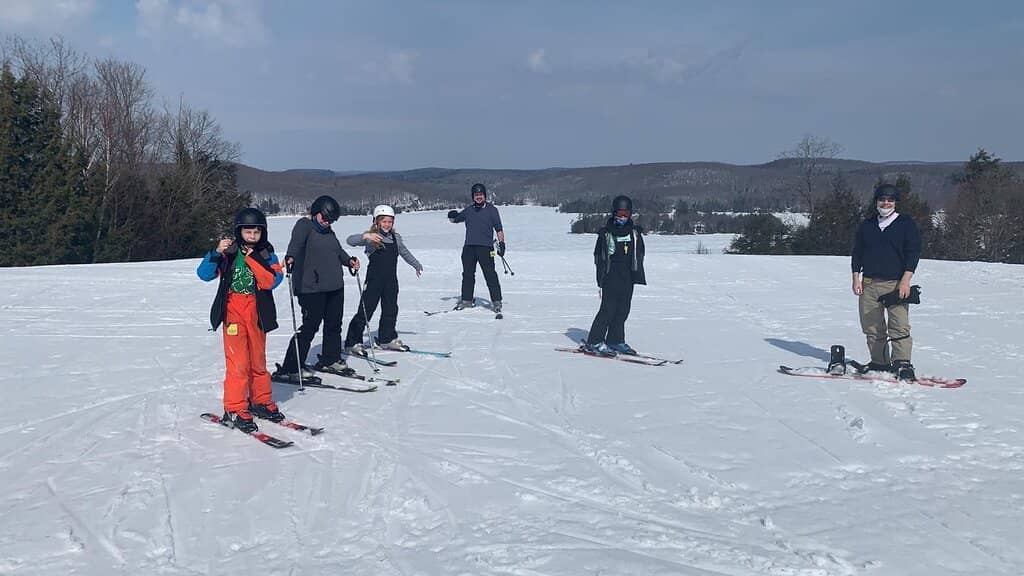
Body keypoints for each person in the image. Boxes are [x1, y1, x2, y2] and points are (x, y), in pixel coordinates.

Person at [197, 207, 285, 433]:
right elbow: (204, 274)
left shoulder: (267, 254)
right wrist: (216, 253)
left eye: (256, 232)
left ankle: (260, 400)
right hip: (234, 311)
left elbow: (271, 281)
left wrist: (253, 258)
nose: (252, 236)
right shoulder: (229, 252)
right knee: (238, 363)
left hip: (257, 312)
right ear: (239, 231)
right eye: (248, 231)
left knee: (258, 361)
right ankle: (235, 406)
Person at [275, 195, 360, 380]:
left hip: (334, 286)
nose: (327, 222)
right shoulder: (304, 226)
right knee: (309, 327)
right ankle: (291, 367)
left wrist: (349, 261)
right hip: (311, 287)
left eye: (331, 220)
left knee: (333, 325)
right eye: (325, 218)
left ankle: (330, 359)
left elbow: (337, 251)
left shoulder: (328, 231)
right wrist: (290, 258)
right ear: (316, 212)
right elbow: (295, 246)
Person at [851, 183, 922, 381]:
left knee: (899, 325)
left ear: (895, 203)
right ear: (876, 202)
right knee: (872, 326)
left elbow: (913, 252)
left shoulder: (905, 224)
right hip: (869, 283)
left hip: (896, 284)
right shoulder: (868, 225)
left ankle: (902, 363)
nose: (886, 203)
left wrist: (906, 280)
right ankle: (879, 362)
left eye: (890, 200)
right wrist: (856, 277)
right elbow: (858, 252)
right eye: (882, 199)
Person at [344, 205, 423, 354]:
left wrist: (416, 265)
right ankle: (352, 342)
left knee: (391, 309)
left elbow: (404, 252)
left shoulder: (395, 238)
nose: (387, 224)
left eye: (390, 222)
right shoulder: (372, 238)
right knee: (366, 310)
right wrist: (365, 236)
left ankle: (387, 338)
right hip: (374, 280)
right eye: (384, 221)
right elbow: (350, 241)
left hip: (391, 281)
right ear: (376, 221)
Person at [581, 195, 646, 356]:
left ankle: (615, 340)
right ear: (613, 213)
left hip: (628, 276)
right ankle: (595, 341)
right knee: (607, 310)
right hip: (610, 277)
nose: (623, 217)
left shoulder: (634, 233)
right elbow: (599, 257)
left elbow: (639, 253)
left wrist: (636, 273)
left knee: (623, 310)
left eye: (626, 214)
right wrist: (601, 279)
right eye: (620, 214)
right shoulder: (606, 234)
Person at [447, 183, 505, 312]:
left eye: (481, 195)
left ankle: (496, 301)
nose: (478, 197)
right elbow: (456, 219)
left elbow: (499, 229)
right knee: (468, 274)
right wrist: (452, 216)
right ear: (473, 196)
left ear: (485, 195)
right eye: (476, 195)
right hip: (469, 248)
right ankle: (467, 299)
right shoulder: (469, 210)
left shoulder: (492, 210)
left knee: (490, 274)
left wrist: (501, 244)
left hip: (487, 248)